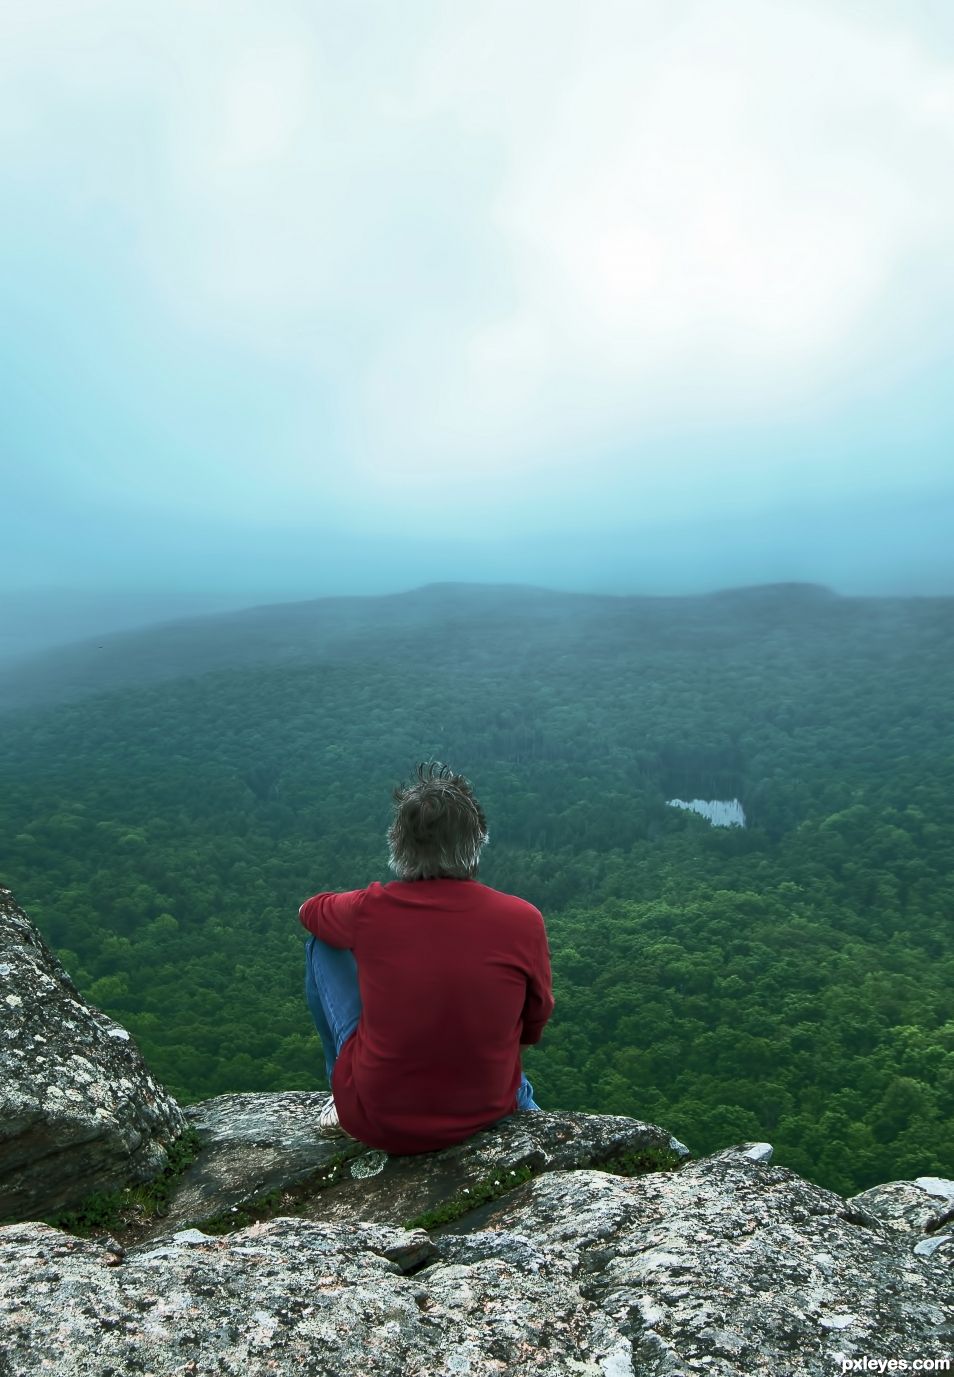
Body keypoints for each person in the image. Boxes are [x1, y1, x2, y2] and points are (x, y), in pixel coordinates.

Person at [300, 760, 554, 1153]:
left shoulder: (370, 910)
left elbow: (310, 912)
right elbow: (533, 1023)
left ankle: (342, 1089)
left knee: (322, 943)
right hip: (486, 1110)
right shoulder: (523, 920)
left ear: (397, 845)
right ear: (477, 843)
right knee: (502, 1056)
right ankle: (519, 1100)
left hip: (378, 1116)